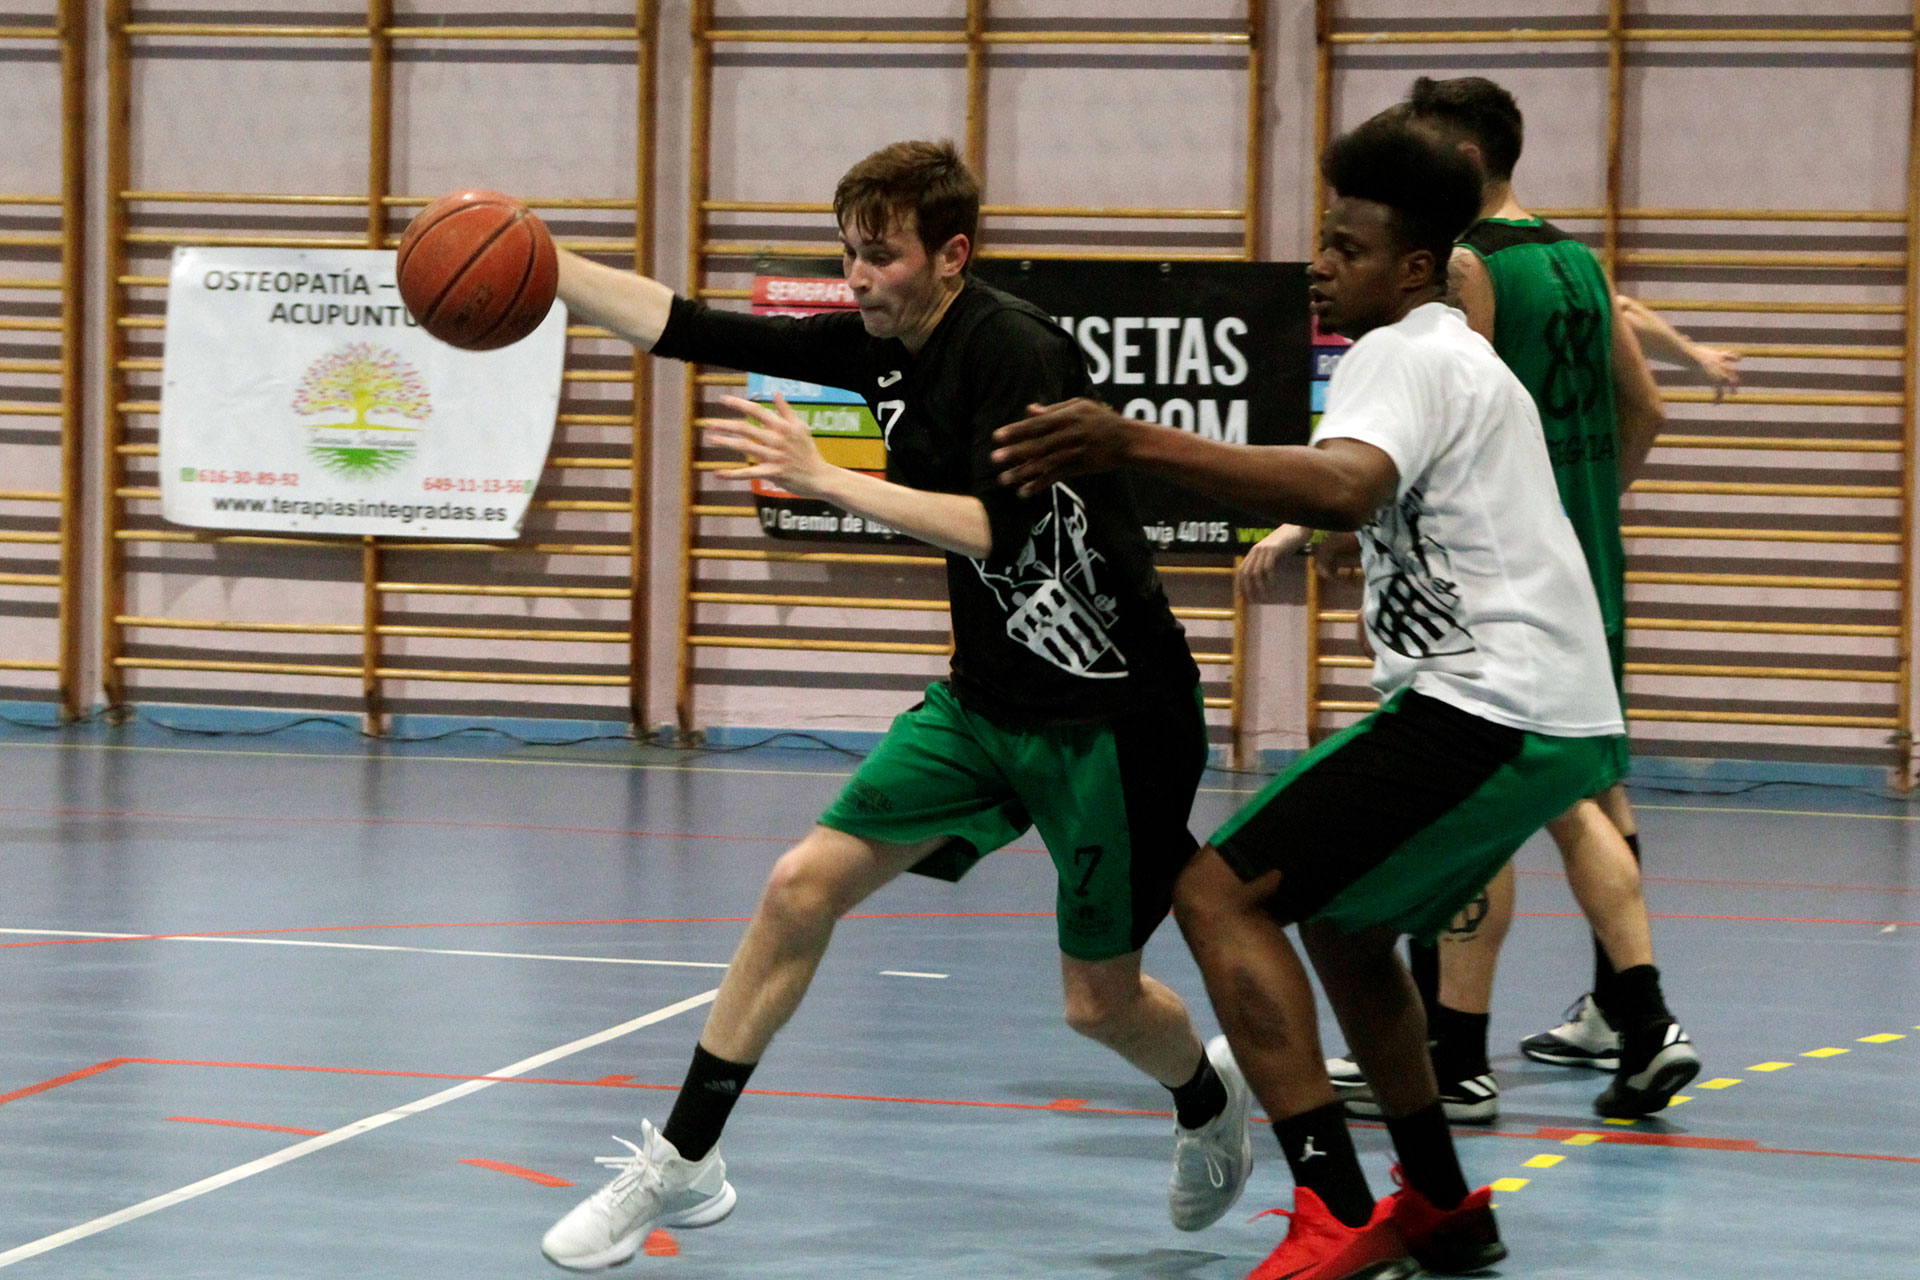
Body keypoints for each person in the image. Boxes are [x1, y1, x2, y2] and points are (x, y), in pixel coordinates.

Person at [531, 139, 1251, 1272]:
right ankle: (685, 1160)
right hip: (984, 704)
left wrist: (826, 481)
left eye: (881, 256)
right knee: (797, 887)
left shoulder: (1013, 349)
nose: (857, 278)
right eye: (848, 254)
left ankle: (1209, 1101)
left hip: (1114, 719)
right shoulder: (883, 345)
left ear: (951, 255)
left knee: (1098, 1004)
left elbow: (997, 529)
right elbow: (692, 325)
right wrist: (541, 259)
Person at [990, 114, 1628, 1280]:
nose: (1322, 264)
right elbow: (1374, 496)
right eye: (1321, 241)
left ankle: (1331, 1207)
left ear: (1418, 266)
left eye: (1347, 245)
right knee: (1339, 919)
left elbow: (1344, 484)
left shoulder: (1407, 351)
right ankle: (1438, 1199)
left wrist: (1129, 437)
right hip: (1545, 707)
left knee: (1214, 892)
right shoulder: (1450, 353)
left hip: (1495, 699)